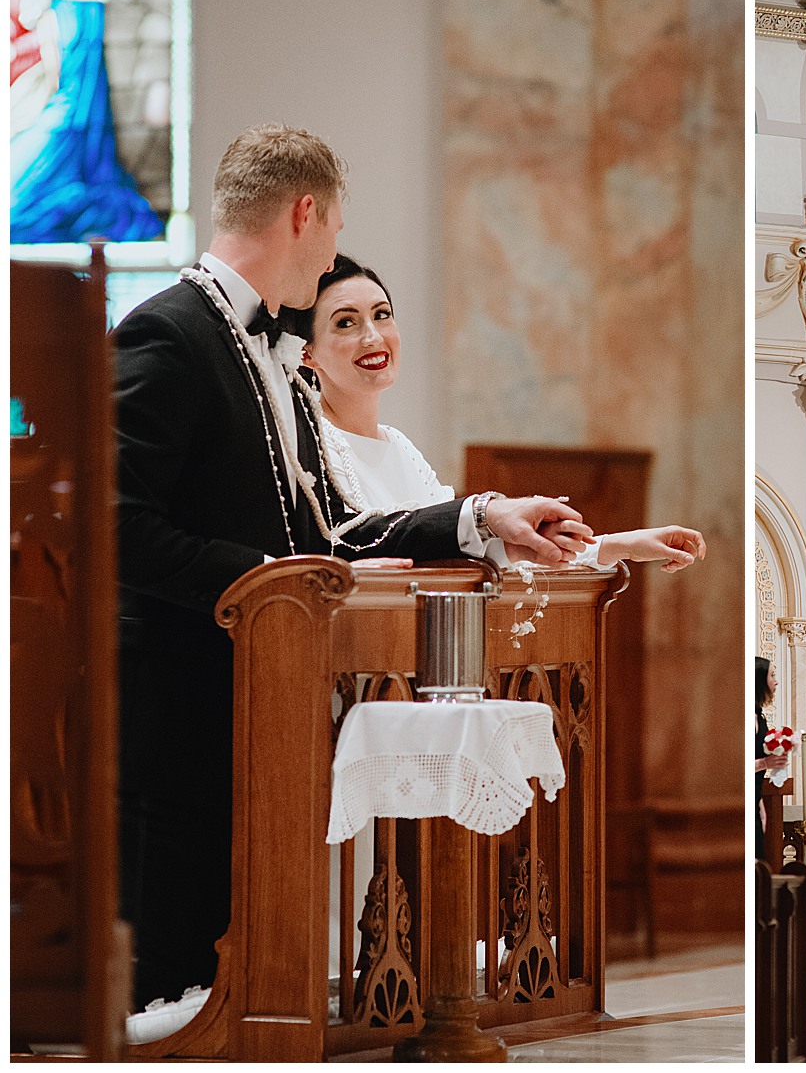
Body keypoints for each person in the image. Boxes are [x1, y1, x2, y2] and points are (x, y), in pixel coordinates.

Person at [113, 123, 591, 1010]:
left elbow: (334, 531)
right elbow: (110, 525)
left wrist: (484, 517)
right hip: (172, 719)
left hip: (251, 707)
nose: (331, 253)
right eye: (332, 233)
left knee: (235, 990)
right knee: (167, 989)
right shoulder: (169, 334)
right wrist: (265, 580)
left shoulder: (271, 364)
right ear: (307, 213)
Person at [295, 253, 705, 571]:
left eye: (382, 315)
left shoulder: (399, 446)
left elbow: (471, 550)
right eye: (346, 323)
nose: (373, 336)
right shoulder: (307, 444)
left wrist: (619, 546)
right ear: (307, 352)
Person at [751, 657, 790, 862]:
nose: (776, 682)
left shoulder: (759, 716)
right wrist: (766, 763)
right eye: (772, 675)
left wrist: (760, 804)